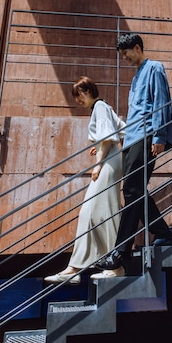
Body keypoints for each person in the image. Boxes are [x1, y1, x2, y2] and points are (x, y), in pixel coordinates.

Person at [90, 33, 172, 279]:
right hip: (131, 139)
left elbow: (161, 102)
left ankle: (120, 252)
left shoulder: (154, 68)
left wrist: (160, 136)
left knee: (132, 190)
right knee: (134, 191)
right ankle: (164, 233)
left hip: (147, 136)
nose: (124, 58)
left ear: (137, 47)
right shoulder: (136, 76)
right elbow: (135, 112)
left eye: (125, 53)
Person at [44, 76, 125, 284]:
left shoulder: (100, 107)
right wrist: (101, 146)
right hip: (110, 160)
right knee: (89, 213)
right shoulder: (102, 107)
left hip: (108, 164)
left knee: (105, 212)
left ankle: (116, 266)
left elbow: (107, 137)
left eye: (79, 96)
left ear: (87, 91)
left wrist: (99, 161)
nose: (78, 101)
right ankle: (75, 267)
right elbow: (120, 129)